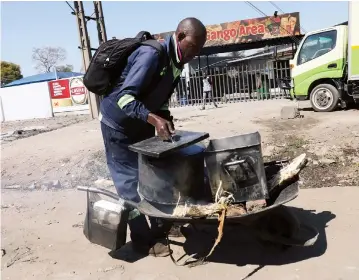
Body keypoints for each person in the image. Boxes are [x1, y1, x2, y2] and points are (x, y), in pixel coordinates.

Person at [99, 18, 207, 257]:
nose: (195, 54)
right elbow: (125, 99)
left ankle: (162, 226)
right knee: (128, 185)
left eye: (200, 50)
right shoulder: (151, 55)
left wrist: (164, 116)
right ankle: (142, 240)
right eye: (193, 47)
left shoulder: (176, 61)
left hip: (139, 124)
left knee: (155, 177)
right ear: (180, 37)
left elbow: (155, 97)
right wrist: (155, 120)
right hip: (117, 125)